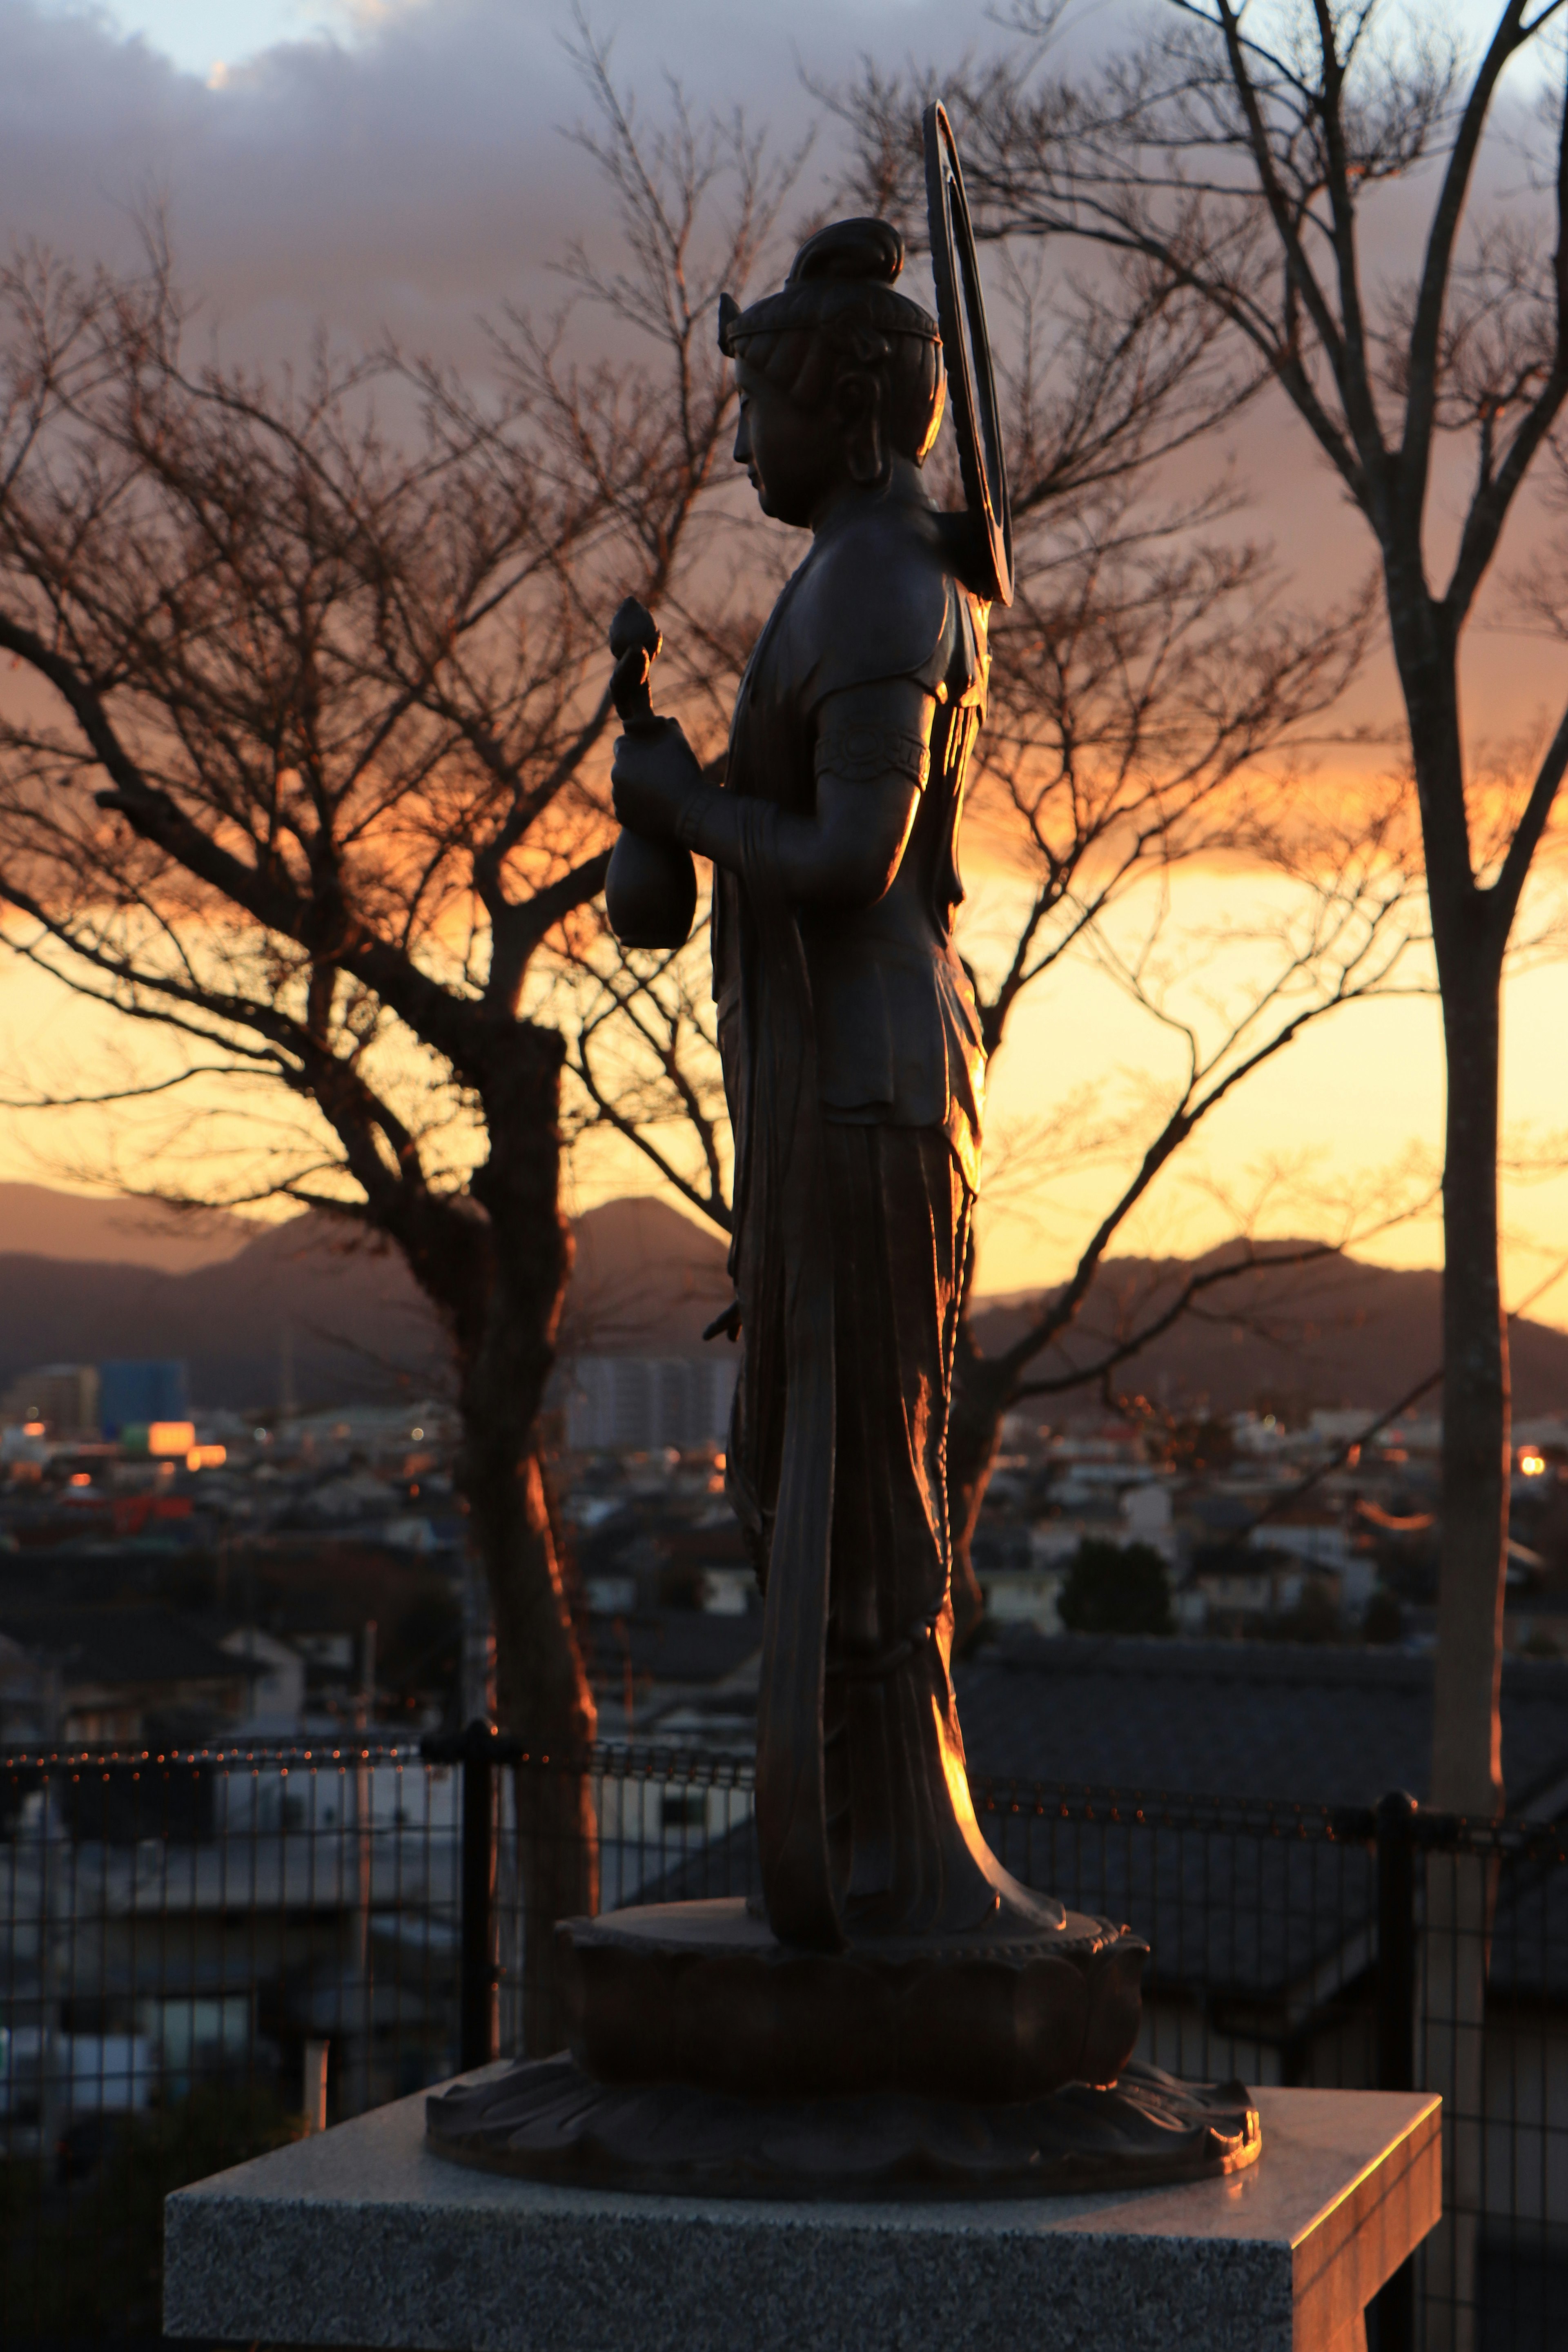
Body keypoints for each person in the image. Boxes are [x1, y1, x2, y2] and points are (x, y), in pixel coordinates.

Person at [610, 217, 1060, 1952]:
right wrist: (666, 795)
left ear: (851, 411)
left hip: (870, 1080)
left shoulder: (884, 587)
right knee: (803, 1456)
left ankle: (907, 1859)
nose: (738, 447)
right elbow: (732, 860)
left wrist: (687, 812)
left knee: (862, 1465)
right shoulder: (848, 574)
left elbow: (854, 855)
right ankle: (868, 1839)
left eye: (760, 408)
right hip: (823, 1079)